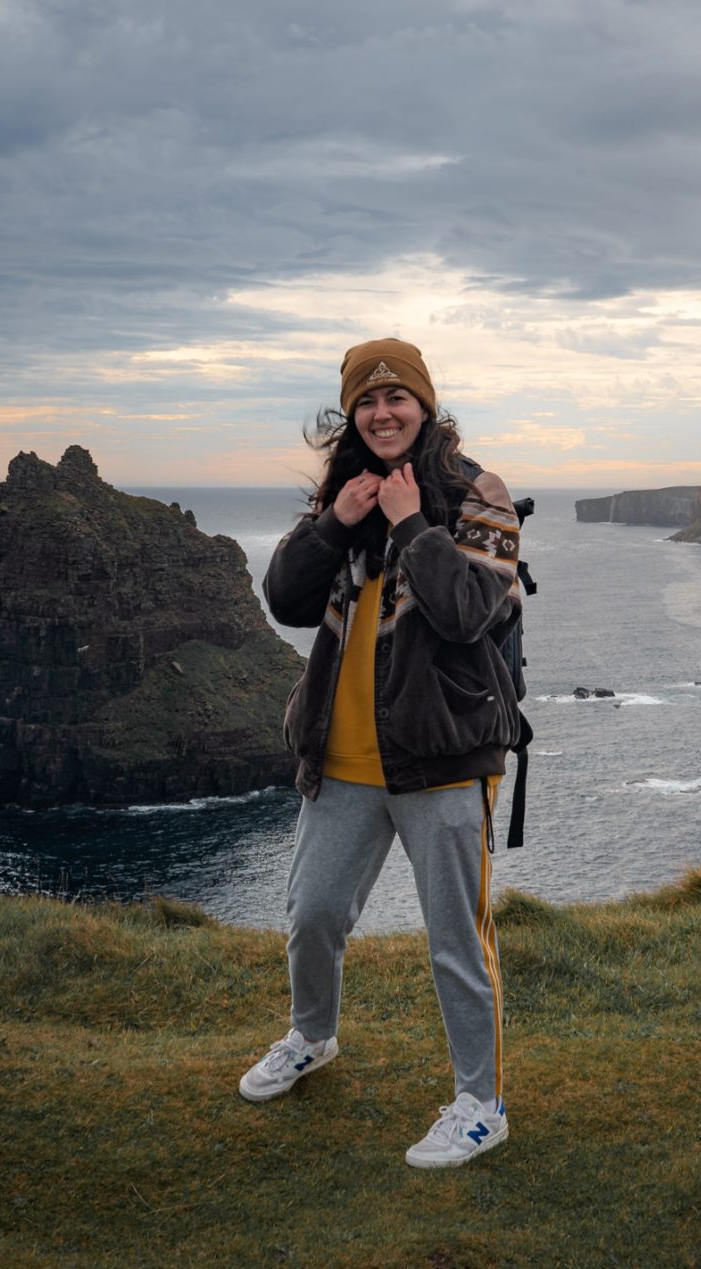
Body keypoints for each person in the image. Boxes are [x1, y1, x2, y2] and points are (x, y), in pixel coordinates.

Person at [239, 338, 523, 1169]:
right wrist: (339, 522)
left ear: (426, 406)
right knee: (314, 913)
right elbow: (286, 599)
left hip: (444, 756)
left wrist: (410, 526)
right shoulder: (346, 494)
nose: (383, 412)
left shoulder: (481, 494)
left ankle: (482, 1102)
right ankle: (311, 1037)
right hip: (342, 756)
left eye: (397, 399)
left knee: (454, 939)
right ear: (350, 415)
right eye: (367, 401)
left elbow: (473, 611)